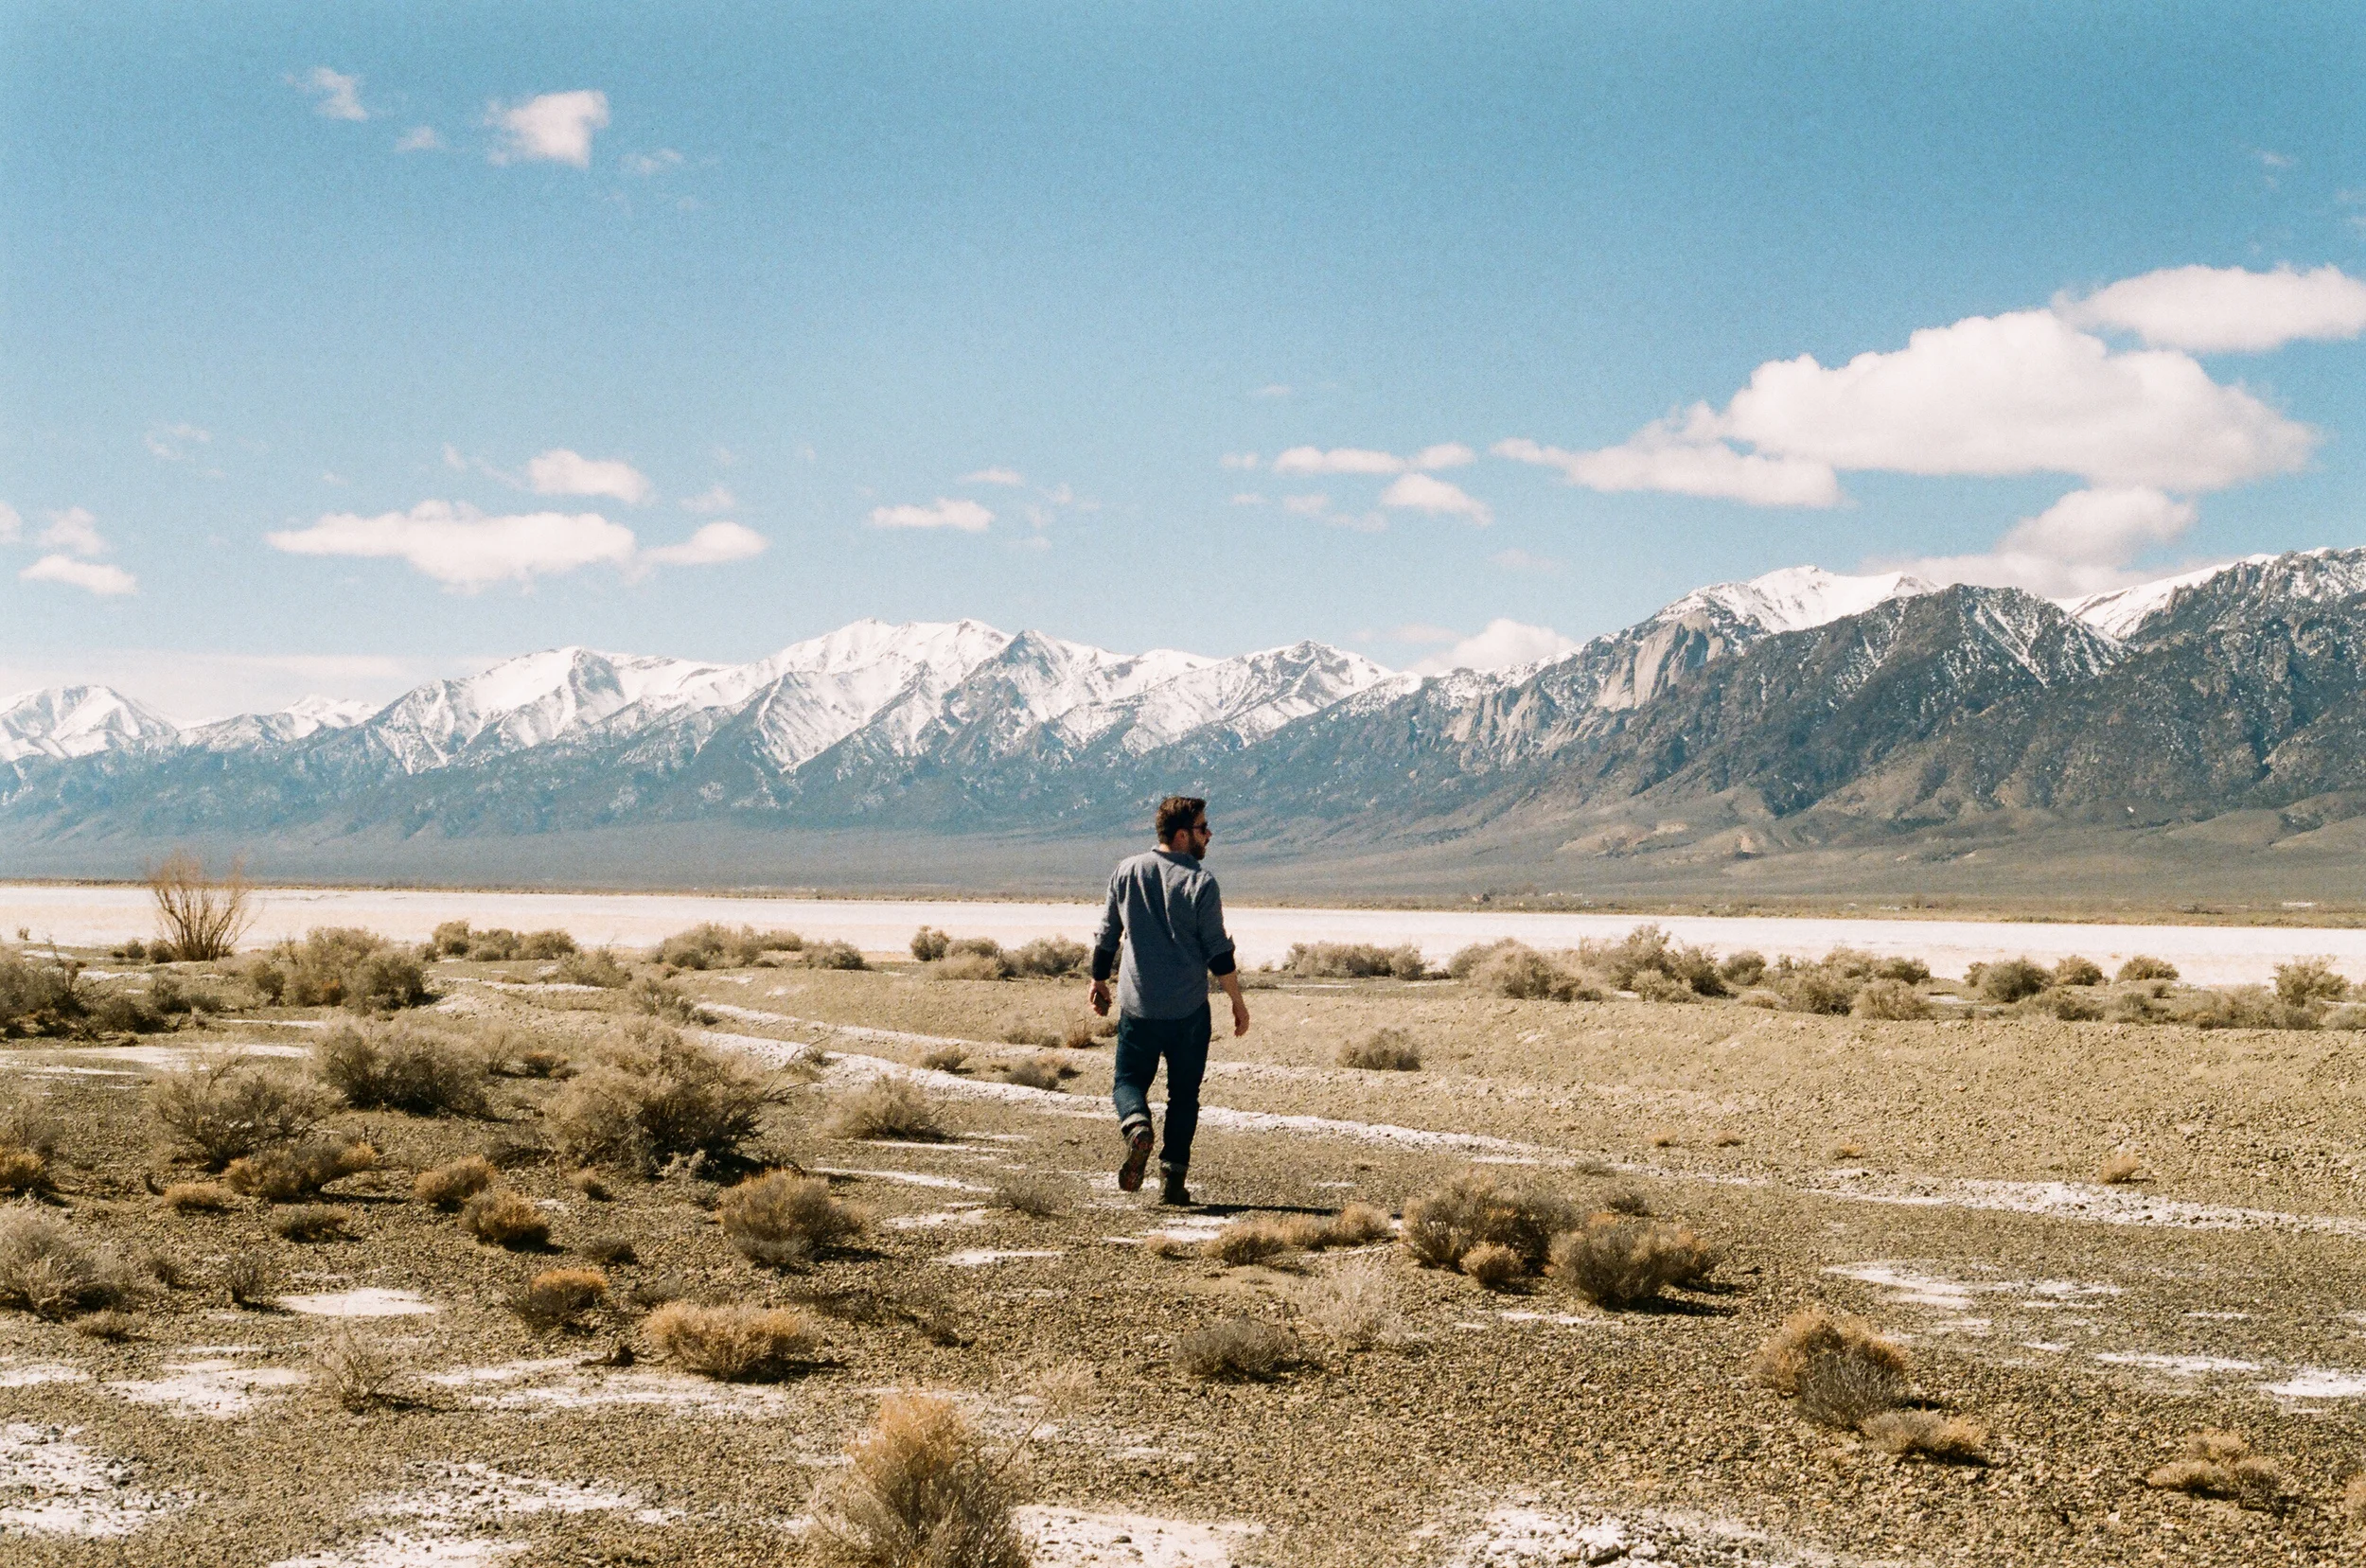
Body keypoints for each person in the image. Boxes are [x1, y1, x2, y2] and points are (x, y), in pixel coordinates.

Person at [1088, 794, 1249, 1206]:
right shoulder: (1202, 882)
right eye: (1202, 828)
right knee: (1184, 1097)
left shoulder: (1126, 870)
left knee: (1127, 1083)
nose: (1209, 835)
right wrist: (1236, 1001)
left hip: (1139, 1006)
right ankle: (1173, 1184)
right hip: (1189, 1011)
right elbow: (1217, 951)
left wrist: (1098, 979)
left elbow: (1108, 933)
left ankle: (1137, 1125)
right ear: (1181, 835)